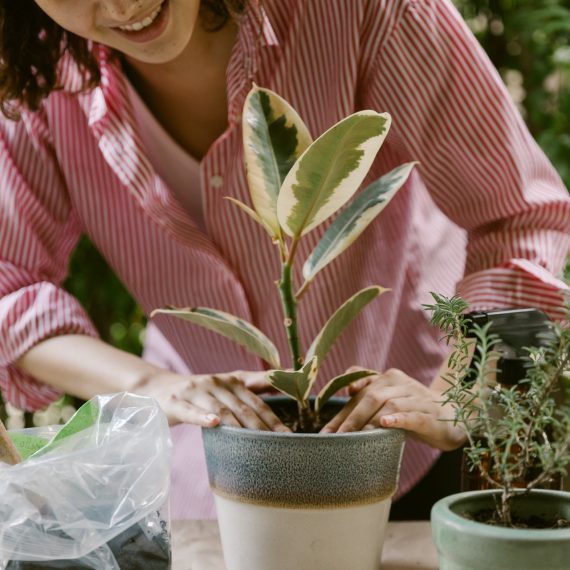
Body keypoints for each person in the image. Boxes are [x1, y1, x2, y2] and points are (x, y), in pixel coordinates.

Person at [0, 0, 568, 520]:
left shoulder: (358, 11)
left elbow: (519, 218)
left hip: (410, 440)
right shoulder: (35, 74)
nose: (124, 5)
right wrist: (150, 383)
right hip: (218, 458)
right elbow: (10, 285)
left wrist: (464, 395)